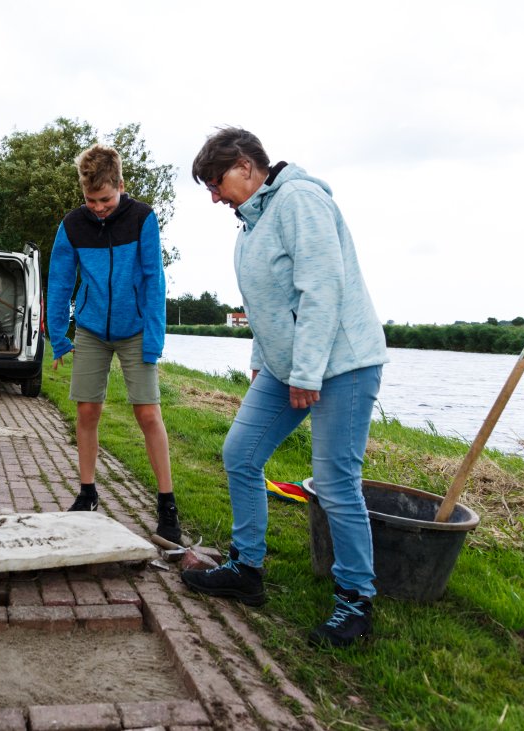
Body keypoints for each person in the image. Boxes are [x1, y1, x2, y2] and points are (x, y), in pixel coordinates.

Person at [180, 127, 388, 649]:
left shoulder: (299, 200)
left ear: (246, 166)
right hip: (287, 366)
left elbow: (322, 290)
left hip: (342, 363)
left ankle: (356, 603)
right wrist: (262, 360)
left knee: (335, 481)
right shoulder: (251, 221)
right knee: (240, 453)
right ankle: (246, 570)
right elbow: (266, 305)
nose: (214, 197)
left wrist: (305, 372)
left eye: (216, 183)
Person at [45, 143, 183, 546]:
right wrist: (59, 336)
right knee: (87, 410)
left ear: (121, 185)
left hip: (136, 328)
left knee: (147, 413)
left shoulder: (143, 219)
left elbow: (154, 280)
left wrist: (154, 339)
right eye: (91, 201)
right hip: (90, 328)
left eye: (105, 200)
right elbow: (60, 281)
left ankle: (167, 505)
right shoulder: (72, 225)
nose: (99, 208)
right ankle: (87, 493)